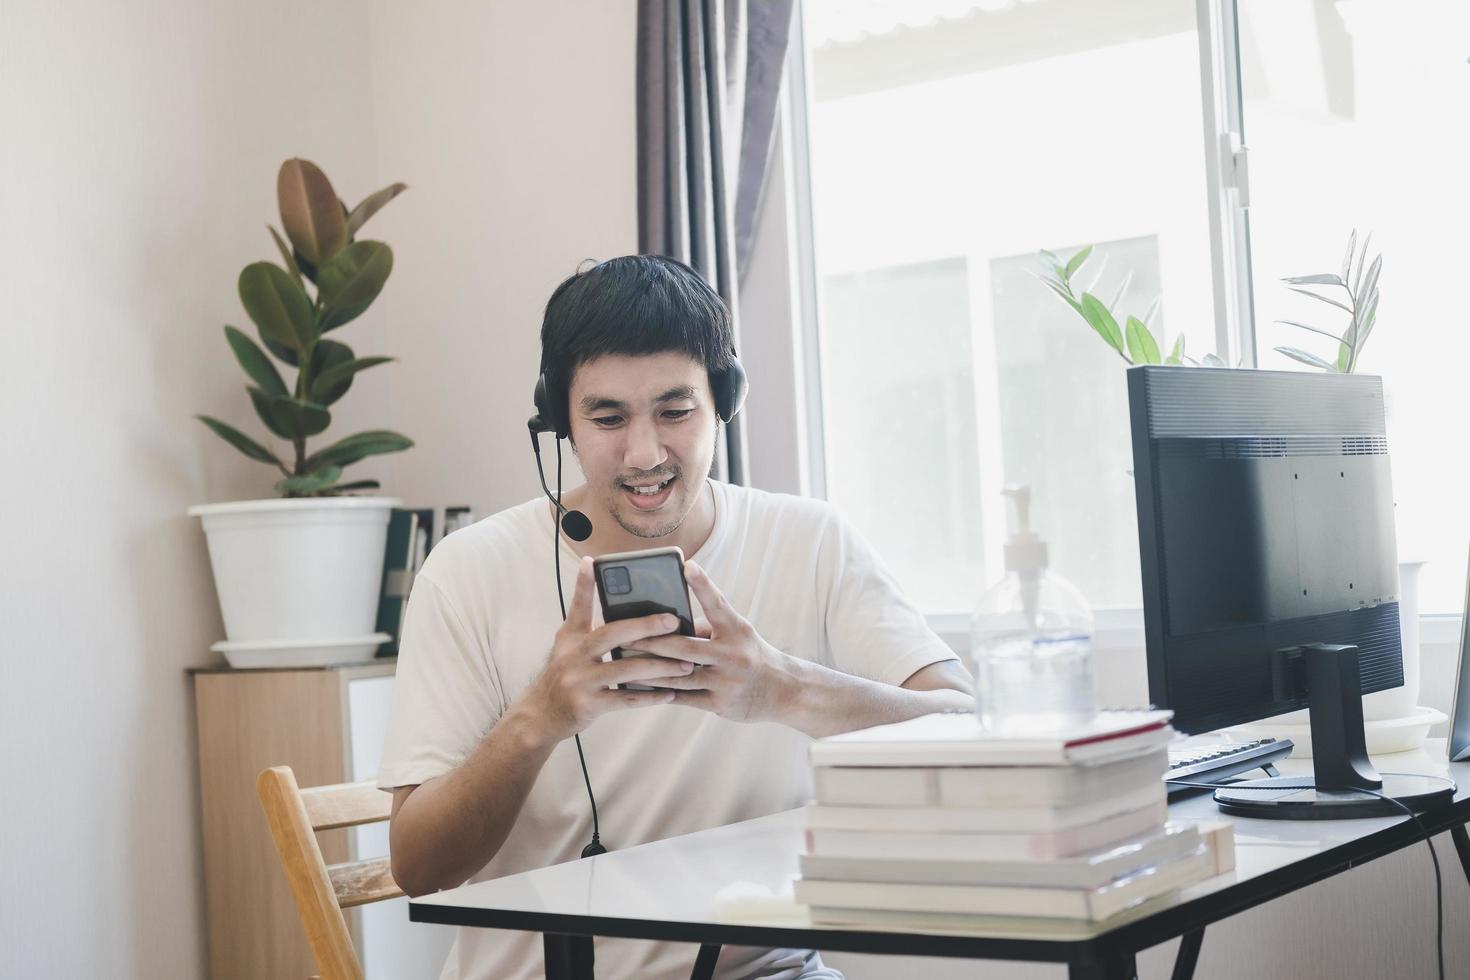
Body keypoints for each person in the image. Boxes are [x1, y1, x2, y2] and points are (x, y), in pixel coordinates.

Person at [378, 254, 974, 980]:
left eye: (675, 410)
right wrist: (541, 715)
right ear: (558, 418)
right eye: (607, 418)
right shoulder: (469, 571)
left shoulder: (810, 540)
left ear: (724, 398)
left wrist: (782, 688)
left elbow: (967, 735)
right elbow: (417, 866)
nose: (645, 453)